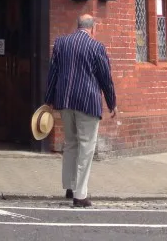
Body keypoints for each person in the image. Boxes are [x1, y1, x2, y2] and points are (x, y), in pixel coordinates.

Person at [44, 13, 116, 208]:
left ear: (78, 26)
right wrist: (112, 103)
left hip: (65, 101)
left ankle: (70, 186)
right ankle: (80, 195)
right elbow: (105, 79)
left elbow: (53, 73)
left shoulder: (61, 43)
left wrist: (48, 100)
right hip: (87, 102)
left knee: (70, 143)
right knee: (86, 147)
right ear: (93, 29)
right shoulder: (96, 47)